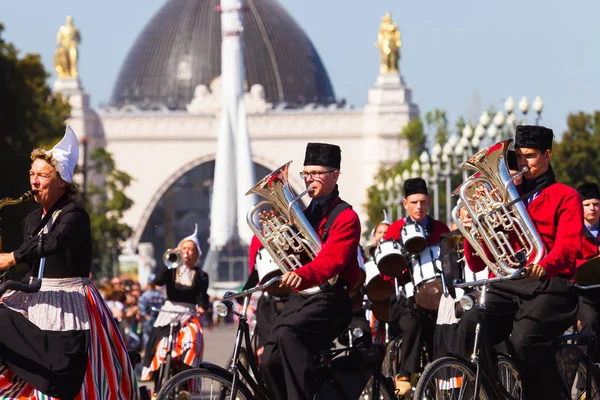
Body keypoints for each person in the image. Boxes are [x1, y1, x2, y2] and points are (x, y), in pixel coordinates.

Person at [0, 126, 138, 399]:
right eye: (32, 174)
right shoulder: (31, 219)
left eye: (42, 175)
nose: (34, 181)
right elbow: (30, 259)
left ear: (62, 180)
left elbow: (53, 242)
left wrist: (11, 257)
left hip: (70, 304)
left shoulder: (75, 215)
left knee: (70, 381)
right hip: (36, 297)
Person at [458, 125, 582, 400]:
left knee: (524, 341)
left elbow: (569, 246)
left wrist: (545, 264)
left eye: (531, 156)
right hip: (511, 284)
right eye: (519, 158)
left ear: (547, 155)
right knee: (470, 324)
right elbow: (479, 264)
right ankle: (497, 392)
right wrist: (473, 229)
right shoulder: (506, 195)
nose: (523, 163)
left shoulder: (566, 195)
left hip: (552, 285)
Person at [260, 142, 362, 400]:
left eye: (316, 173)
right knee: (268, 360)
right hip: (303, 299)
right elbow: (296, 256)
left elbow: (331, 262)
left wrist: (302, 275)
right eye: (306, 174)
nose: (309, 180)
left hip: (332, 301)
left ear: (335, 175)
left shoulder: (346, 217)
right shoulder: (303, 214)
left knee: (288, 334)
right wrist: (275, 236)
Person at [383, 177, 450, 395]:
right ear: (405, 204)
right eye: (413, 203)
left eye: (422, 202)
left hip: (435, 296)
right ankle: (404, 374)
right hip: (404, 299)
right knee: (412, 322)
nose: (419, 207)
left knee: (442, 325)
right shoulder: (394, 231)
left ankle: (443, 375)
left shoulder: (440, 228)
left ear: (429, 202)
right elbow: (385, 273)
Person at [141, 224, 210, 385]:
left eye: (191, 249)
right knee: (161, 346)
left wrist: (201, 308)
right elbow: (157, 281)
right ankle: (158, 386)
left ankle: (185, 384)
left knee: (192, 342)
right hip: (169, 312)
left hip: (189, 313)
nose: (187, 252)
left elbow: (202, 296)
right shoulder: (172, 270)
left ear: (196, 253)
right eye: (184, 248)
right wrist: (169, 263)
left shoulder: (201, 275)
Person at [575, 182, 600, 363]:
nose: (592, 208)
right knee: (590, 322)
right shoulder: (573, 231)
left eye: (596, 204)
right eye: (587, 204)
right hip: (583, 293)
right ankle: (586, 383)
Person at [138, 276, 167, 345]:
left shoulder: (144, 296)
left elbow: (142, 310)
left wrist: (147, 318)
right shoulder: (162, 295)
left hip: (149, 320)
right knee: (158, 340)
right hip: (160, 320)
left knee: (147, 339)